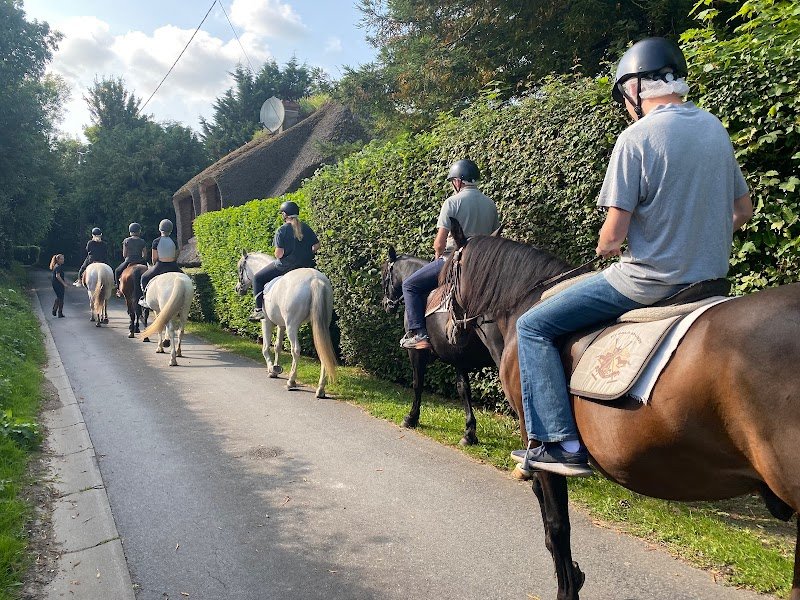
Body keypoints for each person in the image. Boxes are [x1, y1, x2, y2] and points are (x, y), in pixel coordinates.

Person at [513, 37, 753, 477]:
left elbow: (613, 234)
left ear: (636, 87)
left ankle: (559, 443)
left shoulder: (636, 137)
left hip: (648, 283)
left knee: (532, 326)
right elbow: (743, 211)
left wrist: (607, 245)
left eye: (625, 94)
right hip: (712, 280)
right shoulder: (714, 128)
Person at [399, 159, 499, 350]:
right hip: (484, 263)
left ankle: (419, 335)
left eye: (453, 181)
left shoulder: (452, 202)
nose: (453, 184)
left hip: (455, 260)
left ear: (459, 181)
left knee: (409, 285)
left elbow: (439, 243)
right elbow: (495, 237)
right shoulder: (490, 204)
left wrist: (438, 257)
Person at [248, 201, 320, 321]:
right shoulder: (306, 227)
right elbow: (317, 245)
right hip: (306, 264)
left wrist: (278, 254)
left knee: (257, 278)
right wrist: (307, 253)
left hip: (286, 266)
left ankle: (258, 310)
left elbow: (279, 254)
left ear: (285, 214)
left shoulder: (282, 230)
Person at [139, 219, 183, 308]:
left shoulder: (156, 241)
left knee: (144, 278)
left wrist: (154, 265)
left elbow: (154, 258)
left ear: (160, 229)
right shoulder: (174, 241)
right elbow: (177, 254)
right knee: (186, 279)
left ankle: (145, 299)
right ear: (171, 230)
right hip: (173, 266)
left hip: (160, 266)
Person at [114, 223, 148, 296]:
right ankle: (147, 290)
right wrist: (142, 259)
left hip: (128, 261)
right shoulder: (142, 241)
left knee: (117, 271)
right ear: (139, 231)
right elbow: (145, 255)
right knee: (148, 273)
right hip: (140, 261)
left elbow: (124, 254)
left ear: (130, 231)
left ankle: (118, 289)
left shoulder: (126, 241)